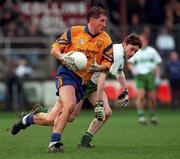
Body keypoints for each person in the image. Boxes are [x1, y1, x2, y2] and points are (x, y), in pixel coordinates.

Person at [11, 6, 113, 153]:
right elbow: (54, 50)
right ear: (92, 20)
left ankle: (26, 119)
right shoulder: (74, 31)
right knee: (69, 105)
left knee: (53, 118)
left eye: (106, 21)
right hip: (67, 74)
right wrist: (63, 57)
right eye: (102, 21)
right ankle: (54, 143)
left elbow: (107, 64)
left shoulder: (105, 39)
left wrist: (98, 67)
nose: (104, 24)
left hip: (83, 82)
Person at [128, 34, 162, 125]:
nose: (142, 42)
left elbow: (158, 64)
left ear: (146, 41)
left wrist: (158, 76)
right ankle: (141, 116)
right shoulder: (135, 51)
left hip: (150, 75)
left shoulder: (152, 51)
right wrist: (133, 69)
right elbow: (130, 63)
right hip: (140, 76)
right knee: (141, 96)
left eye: (143, 40)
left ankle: (152, 115)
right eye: (140, 41)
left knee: (152, 97)